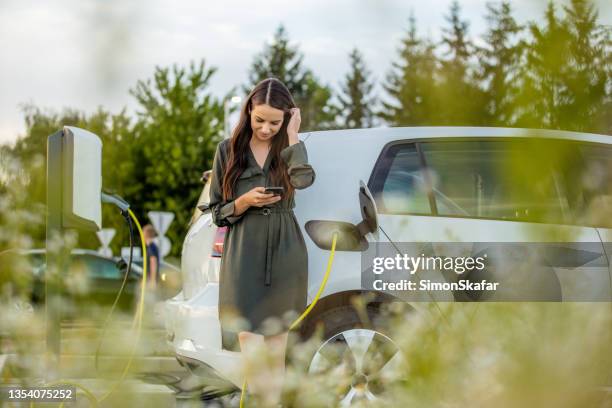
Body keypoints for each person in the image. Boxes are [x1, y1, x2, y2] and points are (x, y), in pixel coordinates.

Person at [208, 78, 315, 405]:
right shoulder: (227, 150)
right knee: (250, 341)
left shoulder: (290, 147)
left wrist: (294, 135)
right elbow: (216, 212)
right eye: (259, 120)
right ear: (248, 112)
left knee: (276, 346)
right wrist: (244, 202)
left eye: (275, 122)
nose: (266, 128)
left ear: (286, 118)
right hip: (244, 250)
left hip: (285, 249)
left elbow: (304, 180)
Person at [143, 224, 160, 290]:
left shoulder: (151, 247)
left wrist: (152, 281)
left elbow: (153, 262)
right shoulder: (153, 246)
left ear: (146, 234)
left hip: (151, 280)